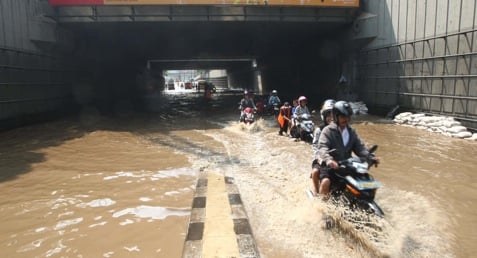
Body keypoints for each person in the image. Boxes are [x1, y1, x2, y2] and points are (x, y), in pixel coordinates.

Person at [317, 100, 380, 199]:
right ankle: (322, 209)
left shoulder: (351, 132)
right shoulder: (327, 131)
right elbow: (322, 147)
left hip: (347, 166)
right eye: (343, 117)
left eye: (347, 117)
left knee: (368, 180)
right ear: (335, 116)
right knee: (326, 181)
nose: (346, 119)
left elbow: (360, 148)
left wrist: (370, 157)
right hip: (331, 166)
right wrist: (329, 160)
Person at [310, 99, 335, 196]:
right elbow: (316, 146)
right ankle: (317, 192)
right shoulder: (319, 130)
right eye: (328, 115)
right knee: (316, 171)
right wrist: (319, 158)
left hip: (339, 159)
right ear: (324, 116)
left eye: (334, 114)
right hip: (322, 159)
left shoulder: (342, 129)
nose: (331, 117)